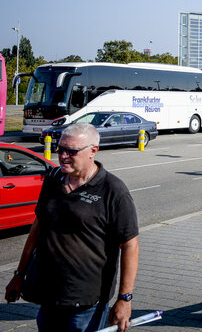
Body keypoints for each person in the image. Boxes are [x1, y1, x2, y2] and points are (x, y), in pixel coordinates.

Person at [4, 123, 139, 332]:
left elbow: (130, 245)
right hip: (49, 295)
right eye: (60, 148)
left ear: (93, 151)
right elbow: (37, 229)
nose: (63, 155)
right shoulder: (53, 179)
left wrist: (125, 298)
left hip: (86, 303)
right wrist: (19, 274)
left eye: (71, 151)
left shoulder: (114, 191)